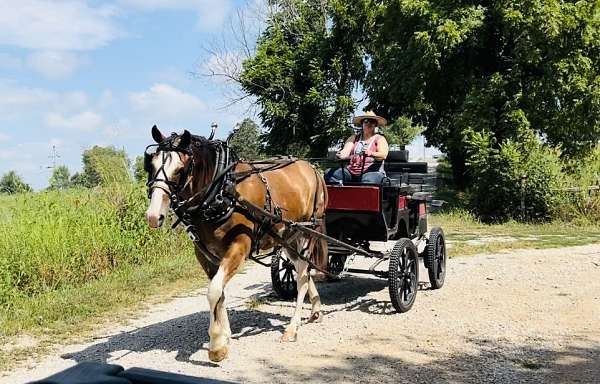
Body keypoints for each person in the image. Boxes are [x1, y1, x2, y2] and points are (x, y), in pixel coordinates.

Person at [325, 111, 389, 184]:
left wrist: (371, 153)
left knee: (367, 181)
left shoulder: (380, 138)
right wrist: (341, 155)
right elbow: (345, 151)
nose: (369, 123)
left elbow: (383, 155)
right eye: (366, 121)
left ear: (375, 125)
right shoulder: (353, 138)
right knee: (330, 174)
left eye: (372, 121)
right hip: (351, 171)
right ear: (362, 124)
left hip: (373, 172)